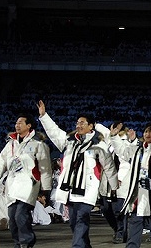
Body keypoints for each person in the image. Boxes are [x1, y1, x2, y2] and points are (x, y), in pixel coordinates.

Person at [37, 100, 119, 248]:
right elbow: (54, 132)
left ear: (90, 126)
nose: (78, 125)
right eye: (77, 123)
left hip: (87, 190)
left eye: (82, 123)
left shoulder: (98, 145)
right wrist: (44, 116)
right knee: (74, 223)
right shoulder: (69, 142)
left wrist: (114, 186)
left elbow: (109, 166)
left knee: (82, 220)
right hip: (70, 190)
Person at [0, 113, 52, 248]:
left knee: (21, 216)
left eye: (20, 122)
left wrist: (45, 191)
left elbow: (46, 169)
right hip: (12, 186)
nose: (17, 125)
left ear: (29, 126)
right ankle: (18, 243)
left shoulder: (38, 144)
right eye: (16, 123)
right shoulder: (10, 144)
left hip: (29, 186)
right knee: (13, 219)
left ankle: (27, 242)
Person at [109, 122, 151, 248]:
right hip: (138, 195)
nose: (147, 134)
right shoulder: (138, 149)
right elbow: (122, 152)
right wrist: (114, 137)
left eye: (150, 131)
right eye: (145, 131)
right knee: (134, 224)